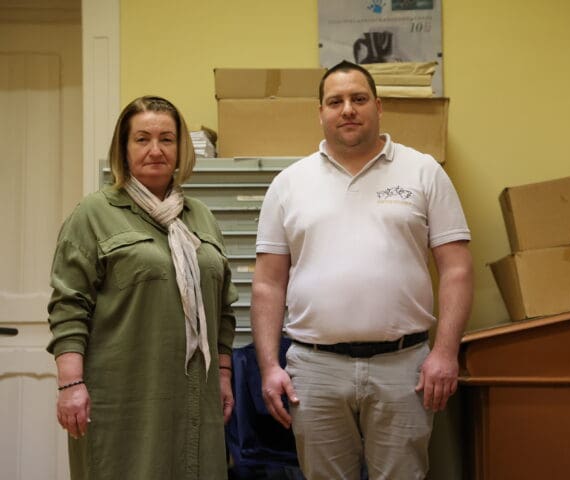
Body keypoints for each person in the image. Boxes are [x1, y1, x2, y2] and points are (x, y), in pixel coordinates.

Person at [251, 61, 473, 480]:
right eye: (335, 101)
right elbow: (267, 283)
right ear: (320, 112)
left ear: (379, 106)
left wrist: (445, 353)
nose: (348, 109)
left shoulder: (423, 171)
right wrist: (268, 367)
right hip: (314, 370)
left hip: (404, 367)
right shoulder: (289, 183)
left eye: (359, 98)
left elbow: (457, 270)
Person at [46, 95, 238, 480]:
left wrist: (222, 373)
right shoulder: (93, 214)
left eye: (167, 139)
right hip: (123, 396)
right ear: (123, 148)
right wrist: (71, 384)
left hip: (195, 396)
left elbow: (223, 309)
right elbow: (69, 306)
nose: (156, 150)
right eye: (142, 139)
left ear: (181, 148)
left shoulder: (200, 217)